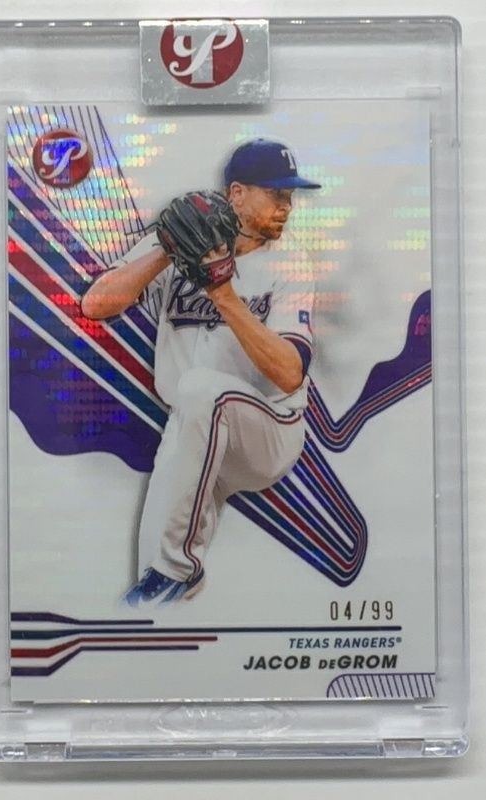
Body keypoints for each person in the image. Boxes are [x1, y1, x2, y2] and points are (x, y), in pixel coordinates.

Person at [81, 138, 321, 605]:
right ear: (237, 194)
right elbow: (96, 304)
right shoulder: (178, 241)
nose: (287, 207)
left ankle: (179, 571)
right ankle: (163, 600)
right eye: (276, 194)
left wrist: (222, 293)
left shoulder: (290, 262)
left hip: (267, 431)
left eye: (290, 196)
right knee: (149, 581)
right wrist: (167, 249)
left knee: (201, 391)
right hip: (192, 431)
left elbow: (291, 373)